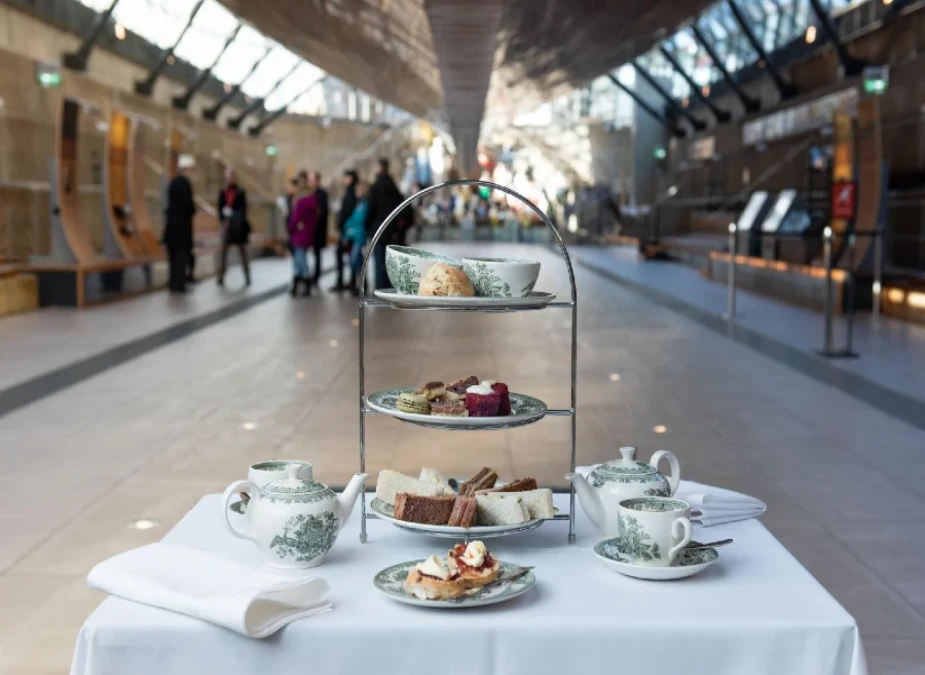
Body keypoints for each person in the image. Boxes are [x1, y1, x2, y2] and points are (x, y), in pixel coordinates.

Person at [365, 158, 412, 289]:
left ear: (379, 167)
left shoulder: (375, 187)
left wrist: (368, 226)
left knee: (379, 260)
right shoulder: (393, 187)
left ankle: (379, 287)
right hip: (392, 230)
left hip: (378, 229)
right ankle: (390, 286)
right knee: (390, 261)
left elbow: (371, 209)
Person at [163, 153, 196, 294]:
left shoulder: (172, 183)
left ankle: (173, 282)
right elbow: (189, 206)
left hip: (171, 227)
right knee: (181, 256)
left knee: (173, 257)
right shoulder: (185, 184)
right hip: (182, 228)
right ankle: (180, 283)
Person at [217, 167, 251, 287]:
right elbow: (219, 208)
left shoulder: (240, 191)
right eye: (227, 176)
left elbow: (244, 208)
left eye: (231, 176)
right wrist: (224, 216)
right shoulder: (223, 192)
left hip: (238, 226)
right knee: (223, 252)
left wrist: (235, 215)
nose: (229, 178)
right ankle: (221, 275)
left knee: (242, 252)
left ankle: (247, 275)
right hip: (227, 226)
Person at [287, 179, 318, 297]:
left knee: (300, 259)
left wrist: (291, 228)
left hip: (299, 236)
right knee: (300, 257)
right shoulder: (313, 203)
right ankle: (299, 283)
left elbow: (294, 220)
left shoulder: (301, 203)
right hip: (308, 234)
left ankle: (305, 280)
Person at [331, 170, 358, 291]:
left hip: (348, 231)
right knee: (351, 256)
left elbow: (347, 212)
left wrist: (341, 226)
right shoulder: (350, 192)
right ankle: (350, 281)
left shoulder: (351, 193)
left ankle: (348, 281)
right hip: (348, 230)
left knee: (350, 256)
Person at [342, 181, 369, 296]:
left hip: (359, 236)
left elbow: (358, 220)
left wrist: (349, 229)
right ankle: (361, 283)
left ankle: (361, 283)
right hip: (355, 235)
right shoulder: (359, 204)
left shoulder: (364, 204)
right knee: (357, 261)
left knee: (355, 260)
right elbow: (352, 219)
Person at [307, 170, 329, 288]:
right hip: (309, 230)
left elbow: (322, 212)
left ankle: (315, 277)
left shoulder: (321, 194)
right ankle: (308, 276)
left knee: (317, 254)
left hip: (317, 230)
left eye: (312, 180)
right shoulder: (309, 193)